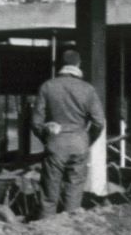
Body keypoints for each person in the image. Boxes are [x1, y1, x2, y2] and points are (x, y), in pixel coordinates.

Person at [31, 49, 105, 217]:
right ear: (78, 64)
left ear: (59, 65)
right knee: (74, 197)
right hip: (79, 144)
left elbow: (36, 123)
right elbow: (99, 122)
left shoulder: (47, 86)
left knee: (49, 197)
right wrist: (87, 140)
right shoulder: (88, 89)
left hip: (55, 144)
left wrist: (48, 138)